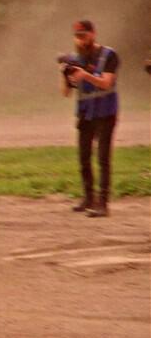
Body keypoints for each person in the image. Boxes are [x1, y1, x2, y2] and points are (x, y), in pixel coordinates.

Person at [60, 20, 119, 218]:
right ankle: (88, 198)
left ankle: (103, 203)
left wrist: (86, 75)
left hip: (105, 111)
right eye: (77, 36)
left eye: (84, 36)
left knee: (103, 157)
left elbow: (106, 83)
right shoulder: (76, 58)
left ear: (93, 34)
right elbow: (65, 93)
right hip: (85, 113)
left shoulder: (109, 55)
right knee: (84, 158)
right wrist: (65, 74)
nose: (80, 40)